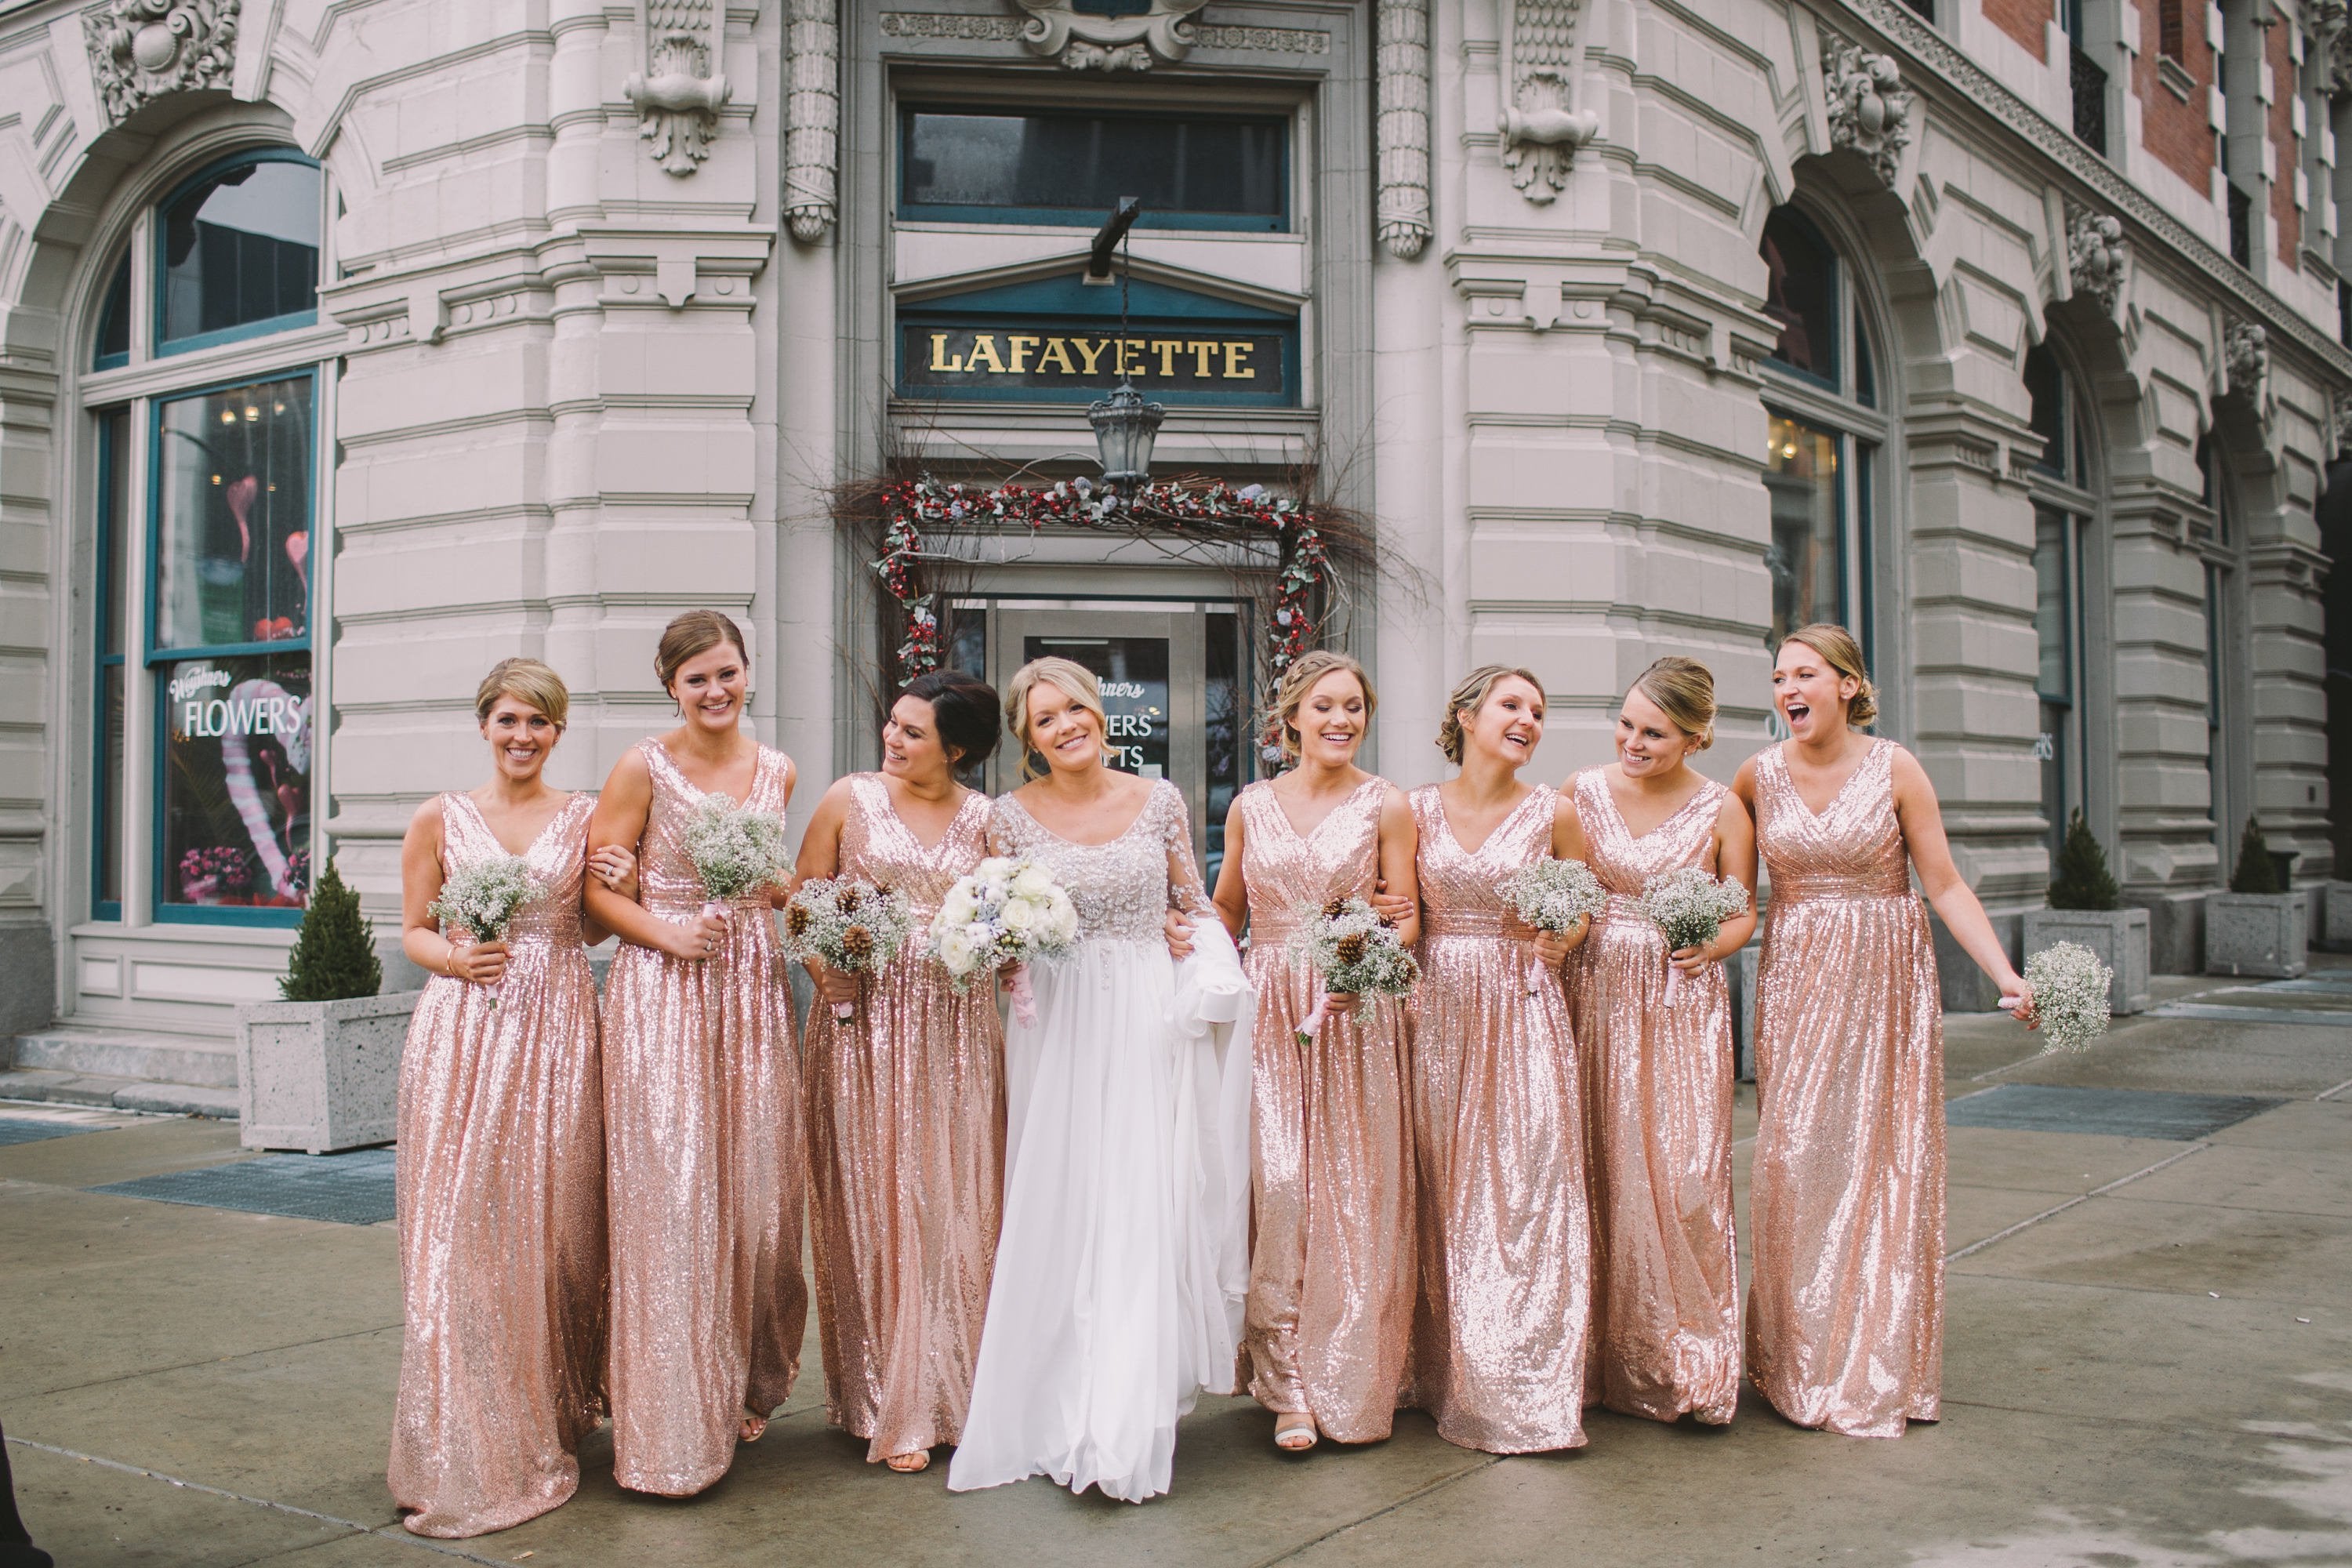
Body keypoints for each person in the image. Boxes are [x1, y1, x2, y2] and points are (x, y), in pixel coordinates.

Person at [946, 657, 1252, 1504]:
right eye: (1046, 718)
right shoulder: (1005, 819)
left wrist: (1190, 936)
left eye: (1077, 705)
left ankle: (1127, 1415)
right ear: (1028, 738)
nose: (1068, 723)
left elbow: (1197, 904)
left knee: (1140, 1203)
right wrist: (998, 945)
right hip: (1059, 1022)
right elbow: (992, 917)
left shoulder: (1159, 801)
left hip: (1147, 1016)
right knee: (1065, 1201)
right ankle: (1055, 1401)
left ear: (1099, 712)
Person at [1733, 624, 2034, 1438]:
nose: (1788, 688)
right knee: (1796, 1158)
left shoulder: (1895, 766)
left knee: (1877, 1159)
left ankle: (1872, 1359)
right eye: (1778, 677)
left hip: (1885, 983)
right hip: (1797, 979)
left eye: (1805, 673)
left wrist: (2007, 973)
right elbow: (1724, 882)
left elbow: (1944, 881)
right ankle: (1796, 1360)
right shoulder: (1756, 775)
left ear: (1847, 685)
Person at [387, 658, 632, 1537]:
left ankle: (548, 1407)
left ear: (559, 731)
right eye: (508, 721)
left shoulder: (584, 815)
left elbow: (595, 924)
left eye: (540, 722)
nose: (523, 736)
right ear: (483, 725)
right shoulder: (440, 817)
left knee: (555, 1229)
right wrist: (458, 957)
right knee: (462, 1233)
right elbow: (414, 927)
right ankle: (457, 1431)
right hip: (463, 1032)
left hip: (563, 1033)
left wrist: (618, 878)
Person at [586, 611, 806, 1495]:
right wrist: (668, 935)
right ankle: (669, 1414)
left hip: (752, 987)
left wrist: (785, 891)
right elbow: (601, 894)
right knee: (673, 1199)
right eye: (696, 679)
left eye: (726, 673)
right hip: (662, 991)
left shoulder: (779, 769)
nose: (715, 692)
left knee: (754, 1194)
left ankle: (743, 1375)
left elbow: (776, 877)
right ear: (670, 685)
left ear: (747, 671)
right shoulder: (644, 766)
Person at [793, 670, 1005, 1475]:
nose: (893, 737)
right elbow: (804, 896)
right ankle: (885, 1396)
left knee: (952, 1201)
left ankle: (957, 1391)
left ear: (956, 749)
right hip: (863, 1026)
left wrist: (998, 946)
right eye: (892, 722)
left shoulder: (986, 818)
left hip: (955, 1029)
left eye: (913, 732)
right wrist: (829, 971)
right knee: (875, 1200)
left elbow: (1004, 909)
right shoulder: (849, 798)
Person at [1209, 650, 1417, 1454]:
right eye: (1325, 706)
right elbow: (1227, 907)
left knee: (1352, 1190)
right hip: (1268, 1011)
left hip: (1352, 1011)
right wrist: (1180, 941)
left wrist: (1363, 952)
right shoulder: (1250, 805)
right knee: (1283, 1187)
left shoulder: (1385, 803)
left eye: (1355, 707)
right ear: (1290, 717)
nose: (1341, 720)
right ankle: (1285, 1379)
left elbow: (1410, 916)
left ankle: (1351, 1365)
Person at [1406, 666, 1595, 1454]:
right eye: (1512, 705)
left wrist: (1567, 934)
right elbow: (1401, 910)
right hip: (1437, 1009)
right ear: (1466, 715)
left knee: (1526, 1187)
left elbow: (1586, 904)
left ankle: (1525, 1388)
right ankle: (1440, 1369)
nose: (1528, 720)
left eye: (1539, 712)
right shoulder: (1412, 808)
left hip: (1524, 1008)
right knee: (1444, 1183)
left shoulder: (1557, 811)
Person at [1563, 656, 1755, 1426]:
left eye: (1655, 731)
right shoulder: (1580, 791)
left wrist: (1714, 944)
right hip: (1593, 996)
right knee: (1597, 1167)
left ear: (1695, 737)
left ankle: (1689, 1362)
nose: (1633, 741)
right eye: (1627, 723)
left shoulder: (1723, 810)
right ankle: (1594, 1361)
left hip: (1682, 1005)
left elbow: (1743, 909)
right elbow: (1561, 889)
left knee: (1685, 1181)